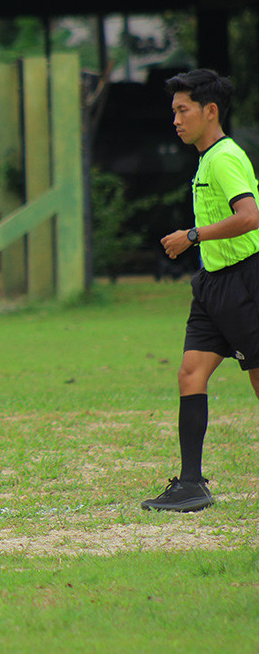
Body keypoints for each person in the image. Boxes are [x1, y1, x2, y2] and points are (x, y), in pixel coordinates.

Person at [142, 69, 259, 512]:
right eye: (173, 111)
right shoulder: (207, 157)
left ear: (210, 111)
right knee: (190, 373)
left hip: (246, 280)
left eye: (182, 110)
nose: (175, 119)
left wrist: (192, 236)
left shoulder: (225, 157)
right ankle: (191, 484)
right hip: (213, 283)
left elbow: (250, 217)